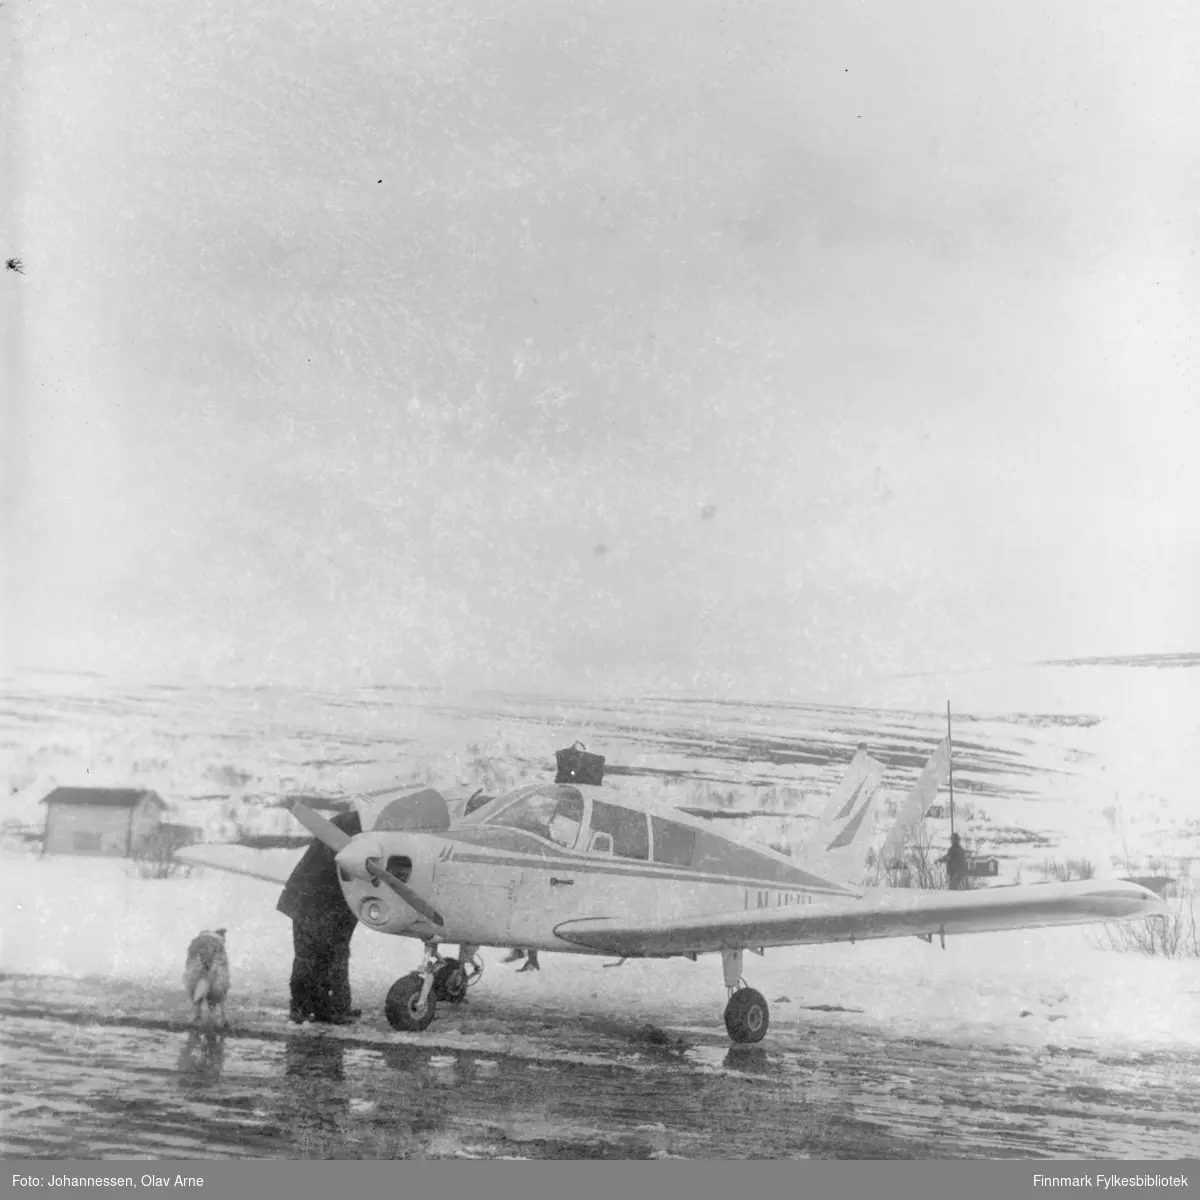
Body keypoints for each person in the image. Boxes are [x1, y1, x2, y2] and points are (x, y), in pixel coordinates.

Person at [277, 808, 363, 1024]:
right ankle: (307, 1008)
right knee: (315, 954)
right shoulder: (353, 825)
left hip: (329, 896)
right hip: (316, 896)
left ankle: (330, 1006)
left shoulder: (355, 822)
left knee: (330, 953)